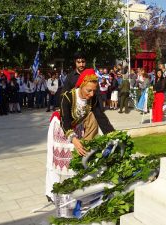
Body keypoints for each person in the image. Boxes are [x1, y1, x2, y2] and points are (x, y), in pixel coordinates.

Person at [45, 68, 115, 201]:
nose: (91, 94)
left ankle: (73, 191)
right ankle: (51, 191)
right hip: (59, 127)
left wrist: (113, 136)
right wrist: (74, 140)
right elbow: (65, 122)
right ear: (81, 85)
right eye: (89, 90)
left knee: (74, 159)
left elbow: (101, 118)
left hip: (75, 127)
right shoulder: (67, 96)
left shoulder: (92, 99)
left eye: (94, 90)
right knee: (54, 159)